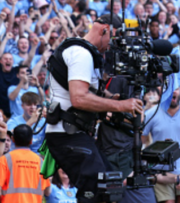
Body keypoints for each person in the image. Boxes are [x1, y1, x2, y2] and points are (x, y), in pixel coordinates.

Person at [44, 14, 142, 203]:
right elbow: (79, 98)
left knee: (111, 185)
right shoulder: (82, 54)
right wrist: (120, 105)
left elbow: (86, 92)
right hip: (66, 134)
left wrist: (109, 98)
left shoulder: (87, 53)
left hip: (74, 133)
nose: (113, 46)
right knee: (98, 188)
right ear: (104, 29)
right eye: (113, 38)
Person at [0, 124, 51, 203]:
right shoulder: (41, 162)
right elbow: (48, 192)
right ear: (31, 140)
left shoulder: (4, 160)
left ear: (13, 139)